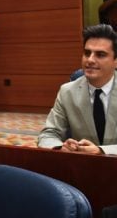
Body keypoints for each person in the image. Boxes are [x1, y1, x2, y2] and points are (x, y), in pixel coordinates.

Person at [38, 24, 117, 154]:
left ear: (115, 61)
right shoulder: (67, 92)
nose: (90, 60)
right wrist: (59, 147)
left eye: (100, 54)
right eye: (87, 53)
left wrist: (101, 150)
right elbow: (48, 134)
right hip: (81, 168)